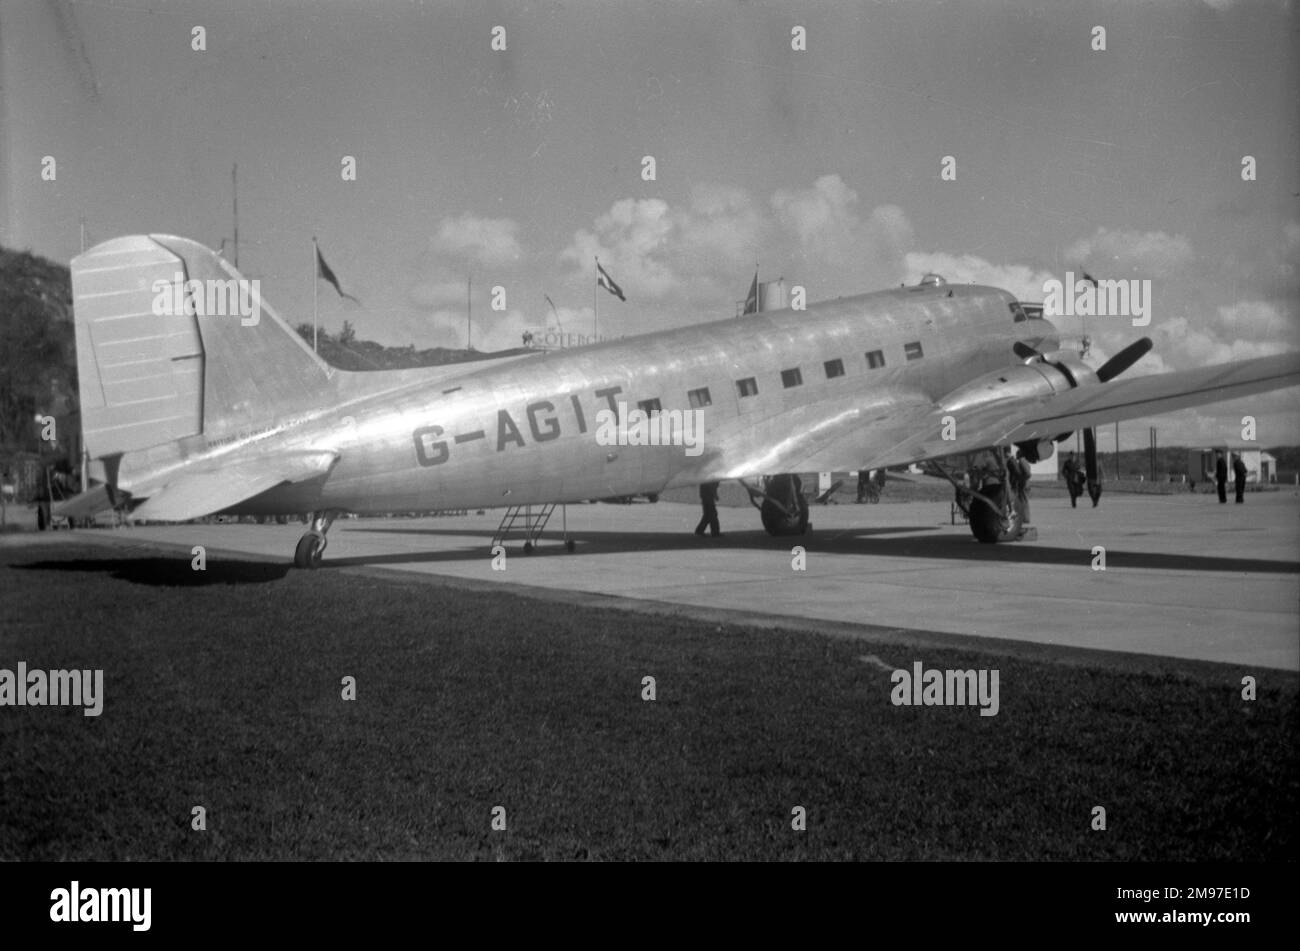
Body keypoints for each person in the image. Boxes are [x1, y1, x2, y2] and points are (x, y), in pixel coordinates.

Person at [1007, 451, 1032, 524]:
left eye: (1017, 454)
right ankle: (1025, 518)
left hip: (1024, 485)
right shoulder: (1023, 460)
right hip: (1024, 484)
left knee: (1024, 502)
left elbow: (1028, 474)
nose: (1016, 455)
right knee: (1023, 501)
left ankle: (1026, 518)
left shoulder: (1022, 460)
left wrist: (1022, 479)